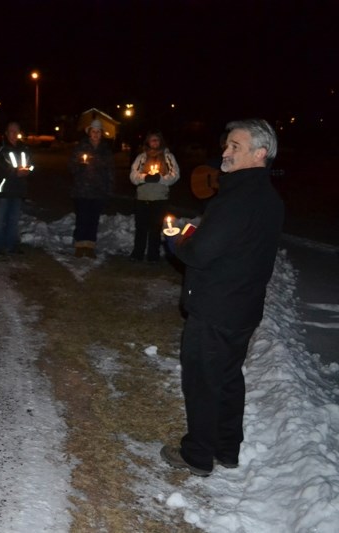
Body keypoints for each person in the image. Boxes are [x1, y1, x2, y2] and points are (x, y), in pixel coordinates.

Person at [161, 119, 284, 477]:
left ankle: (197, 455)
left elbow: (201, 253)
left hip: (216, 307)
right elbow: (236, 245)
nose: (224, 152)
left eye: (235, 146)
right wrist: (197, 232)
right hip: (242, 306)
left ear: (259, 154)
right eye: (227, 145)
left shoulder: (237, 197)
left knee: (203, 379)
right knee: (228, 377)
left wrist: (178, 239)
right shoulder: (269, 198)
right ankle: (227, 448)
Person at [128, 130, 180, 262]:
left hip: (159, 197)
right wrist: (145, 178)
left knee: (155, 228)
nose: (155, 142)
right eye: (152, 140)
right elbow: (133, 176)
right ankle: (137, 253)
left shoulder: (168, 157)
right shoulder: (141, 157)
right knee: (141, 227)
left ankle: (153, 255)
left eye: (157, 140)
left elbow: (175, 175)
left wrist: (161, 179)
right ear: (148, 142)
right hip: (143, 197)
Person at [68, 118, 115, 258]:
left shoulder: (105, 151)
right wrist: (79, 167)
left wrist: (109, 189)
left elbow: (110, 171)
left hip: (98, 191)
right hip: (82, 190)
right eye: (93, 131)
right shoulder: (80, 148)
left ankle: (89, 247)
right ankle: (79, 245)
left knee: (93, 220)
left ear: (101, 134)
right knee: (82, 218)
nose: (95, 134)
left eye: (98, 132)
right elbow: (71, 167)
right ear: (89, 133)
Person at [0, 121, 33, 255]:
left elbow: (31, 164)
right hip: (4, 189)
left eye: (16, 131)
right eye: (12, 131)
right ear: (7, 133)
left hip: (18, 189)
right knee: (0, 219)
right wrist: (14, 172)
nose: (14, 134)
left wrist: (28, 170)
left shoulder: (24, 149)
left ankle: (11, 245)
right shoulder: (1, 149)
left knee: (13, 220)